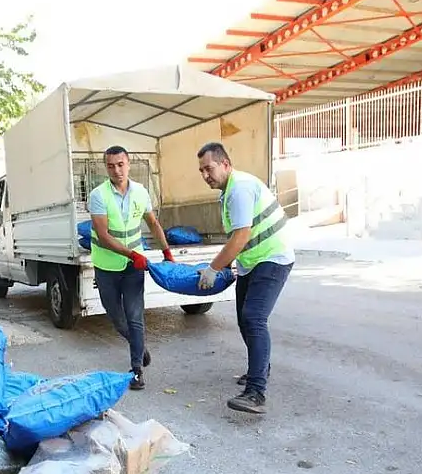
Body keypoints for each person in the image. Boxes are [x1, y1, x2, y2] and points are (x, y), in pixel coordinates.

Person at [196, 141, 295, 414]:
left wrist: (214, 268)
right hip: (253, 262)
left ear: (225, 164)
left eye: (210, 168)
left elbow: (241, 235)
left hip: (273, 257)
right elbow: (238, 238)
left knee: (253, 318)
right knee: (244, 319)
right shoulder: (227, 192)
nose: (206, 175)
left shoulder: (239, 188)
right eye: (202, 171)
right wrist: (231, 265)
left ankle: (256, 392)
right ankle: (260, 367)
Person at [89, 145, 175, 391]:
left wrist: (167, 252)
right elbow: (103, 235)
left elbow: (153, 223)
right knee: (117, 318)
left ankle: (137, 369)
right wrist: (131, 254)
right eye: (111, 166)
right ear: (106, 168)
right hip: (106, 266)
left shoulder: (141, 192)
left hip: (133, 267)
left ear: (129, 164)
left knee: (135, 315)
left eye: (120, 164)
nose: (116, 170)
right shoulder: (98, 195)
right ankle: (139, 346)